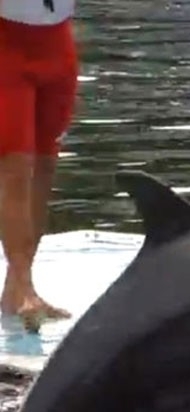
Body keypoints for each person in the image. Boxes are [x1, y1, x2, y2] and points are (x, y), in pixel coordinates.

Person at [0, 0, 78, 327]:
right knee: (15, 166)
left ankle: (16, 286)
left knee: (45, 164)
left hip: (57, 42)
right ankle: (24, 287)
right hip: (6, 44)